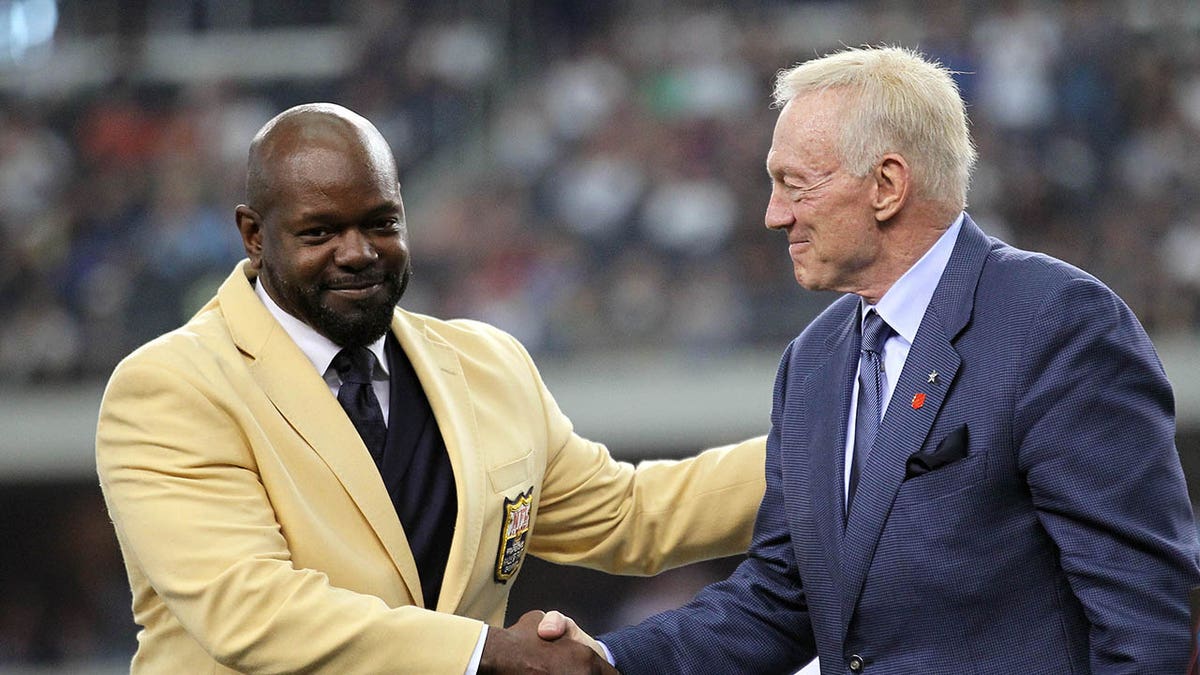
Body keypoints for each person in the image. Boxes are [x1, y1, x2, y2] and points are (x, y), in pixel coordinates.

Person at [547, 45, 1200, 673]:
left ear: (887, 185)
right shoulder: (814, 361)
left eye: (793, 185)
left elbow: (1142, 612)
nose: (775, 215)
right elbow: (778, 600)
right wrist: (605, 660)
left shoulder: (1056, 322)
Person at [94, 102, 767, 674]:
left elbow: (630, 514)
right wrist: (487, 652)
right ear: (252, 235)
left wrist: (830, 444)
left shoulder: (487, 363)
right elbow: (250, 606)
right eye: (320, 231)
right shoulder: (170, 388)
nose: (359, 251)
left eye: (381, 223)